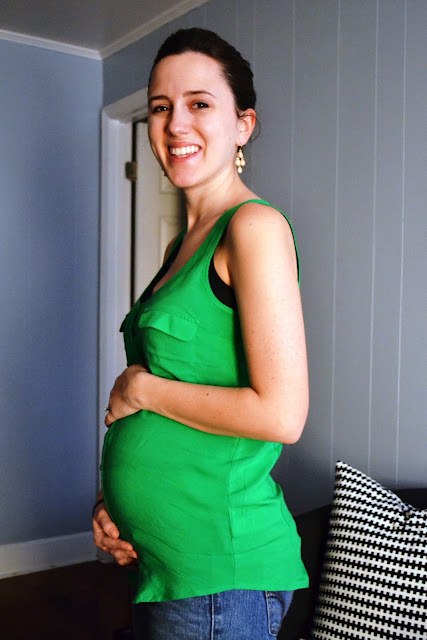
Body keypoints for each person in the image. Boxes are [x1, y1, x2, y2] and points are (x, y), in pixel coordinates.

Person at [93, 27, 309, 640]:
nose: (175, 124)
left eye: (200, 103)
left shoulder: (254, 227)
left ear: (243, 124)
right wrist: (113, 505)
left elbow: (282, 415)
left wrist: (140, 389)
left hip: (221, 578)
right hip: (170, 567)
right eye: (161, 107)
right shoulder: (182, 245)